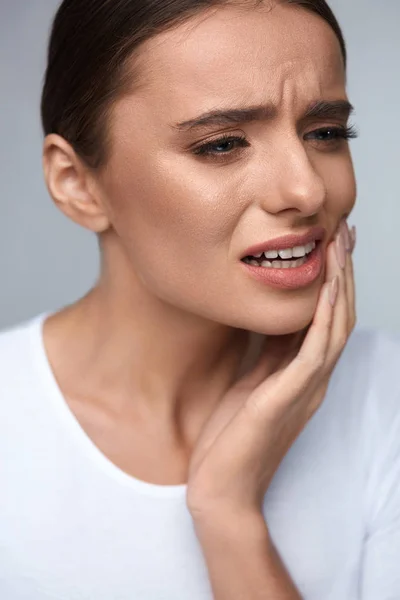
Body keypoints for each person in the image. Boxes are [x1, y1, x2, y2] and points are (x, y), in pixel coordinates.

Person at [1, 0, 399, 598]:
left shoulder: (386, 401)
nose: (308, 188)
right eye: (221, 144)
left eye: (325, 133)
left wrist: (229, 515)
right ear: (76, 183)